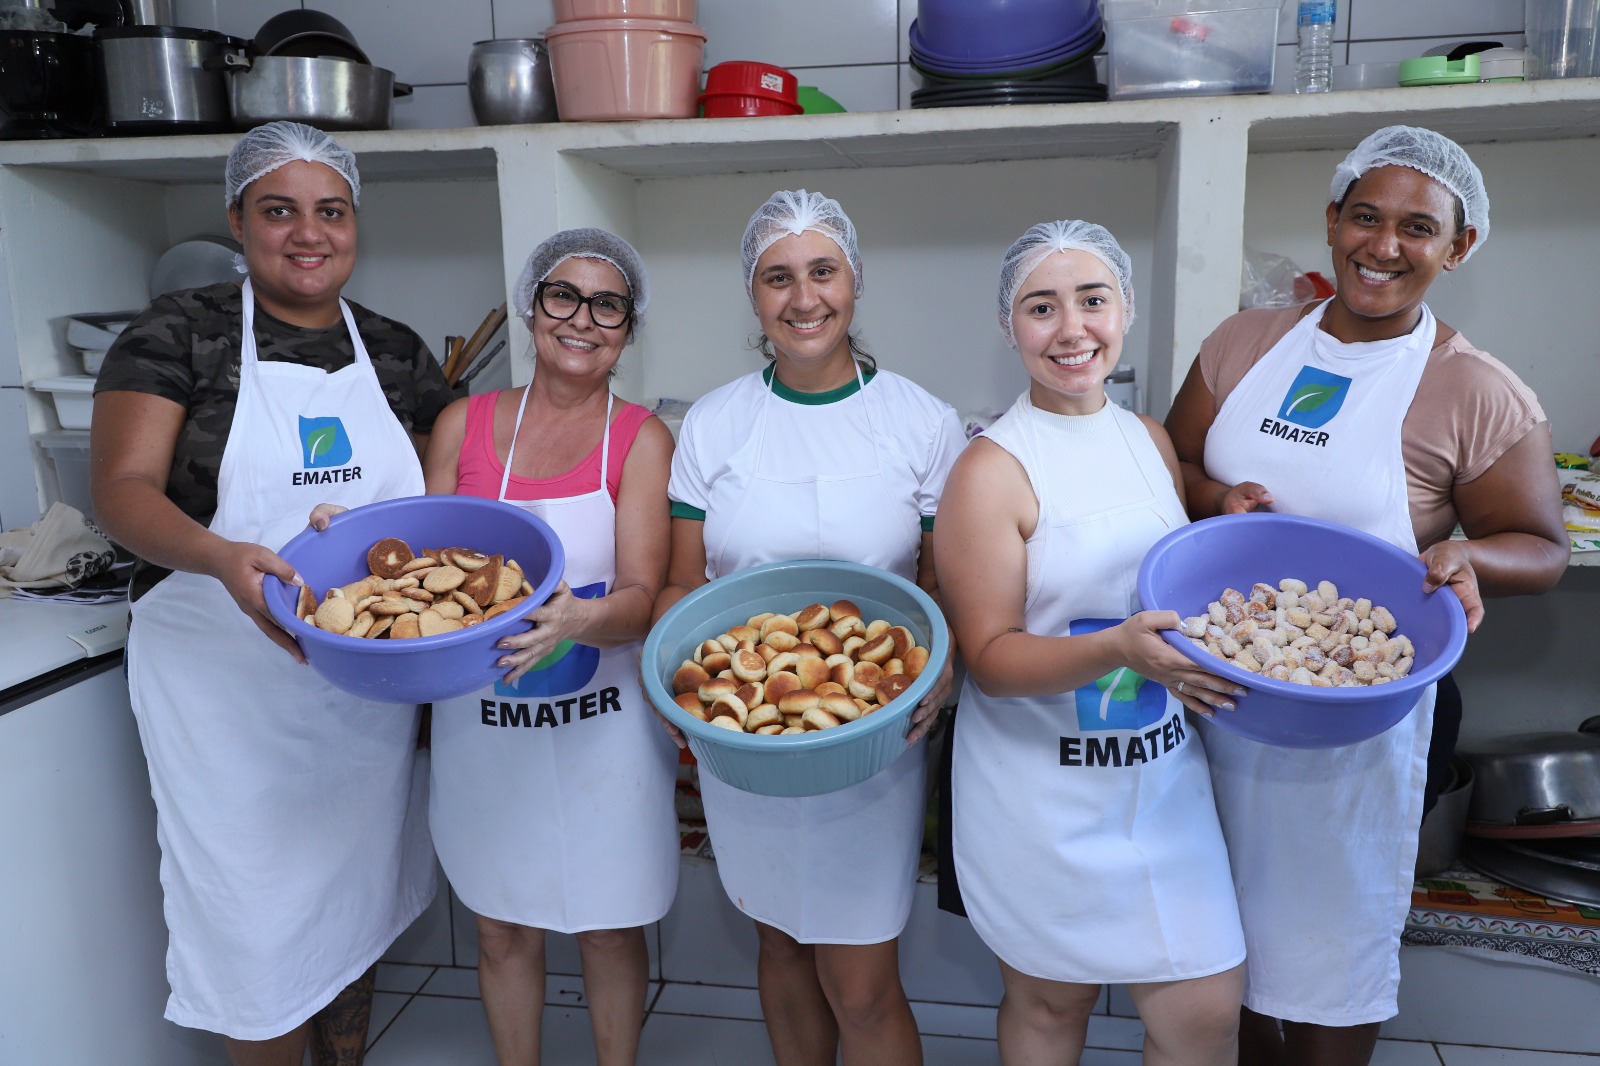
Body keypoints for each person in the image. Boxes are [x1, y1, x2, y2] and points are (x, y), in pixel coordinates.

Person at [1164, 125, 1569, 1066]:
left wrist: (1468, 554)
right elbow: (1171, 461)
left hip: (1353, 712)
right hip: (1219, 682)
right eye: (1365, 217)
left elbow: (1542, 547)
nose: (1383, 245)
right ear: (1333, 221)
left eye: (1418, 228)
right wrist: (1215, 498)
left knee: (1330, 943)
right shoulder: (1244, 342)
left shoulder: (1477, 391)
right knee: (1221, 941)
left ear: (1458, 248)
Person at [89, 121, 448, 1066]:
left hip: (356, 691)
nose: (308, 233)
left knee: (354, 900)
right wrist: (222, 558)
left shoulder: (395, 352)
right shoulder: (179, 332)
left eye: (331, 211)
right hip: (223, 688)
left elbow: (446, 509)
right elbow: (121, 491)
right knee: (253, 928)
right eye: (279, 210)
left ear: (355, 222)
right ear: (237, 220)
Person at [653, 189, 964, 1066]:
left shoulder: (921, 422)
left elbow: (940, 589)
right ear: (752, 295)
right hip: (746, 731)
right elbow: (682, 584)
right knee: (779, 941)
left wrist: (944, 665)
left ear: (854, 281)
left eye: (822, 272)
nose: (803, 298)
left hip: (875, 737)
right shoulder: (715, 423)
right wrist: (675, 684)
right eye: (777, 277)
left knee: (862, 981)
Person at [932, 220, 1247, 1066]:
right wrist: (1118, 651)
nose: (1071, 329)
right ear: (1010, 327)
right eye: (1042, 307)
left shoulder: (1148, 440)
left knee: (1206, 1012)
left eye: (1092, 300)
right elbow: (990, 660)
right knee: (1049, 1004)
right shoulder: (991, 470)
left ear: (1126, 310)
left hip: (1162, 776)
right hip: (1042, 794)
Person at [419, 229, 677, 1065]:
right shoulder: (462, 425)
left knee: (609, 925)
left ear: (628, 330)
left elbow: (642, 598)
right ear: (532, 309)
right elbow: (419, 572)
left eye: (608, 306)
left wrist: (576, 623)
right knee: (500, 926)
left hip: (605, 730)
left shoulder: (641, 439)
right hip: (484, 728)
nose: (582, 320)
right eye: (563, 296)